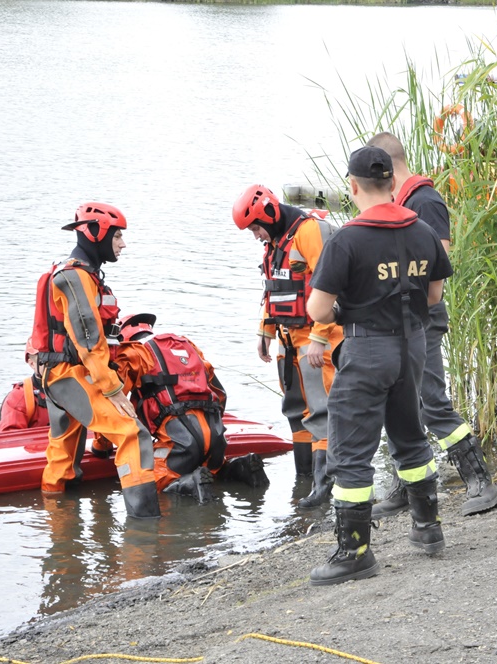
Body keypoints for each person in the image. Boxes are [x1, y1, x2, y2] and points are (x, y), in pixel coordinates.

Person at [306, 146, 453, 586]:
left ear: (352, 187)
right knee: (410, 436)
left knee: (349, 453)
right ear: (393, 183)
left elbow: (317, 308)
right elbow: (434, 297)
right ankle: (428, 529)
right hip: (411, 347)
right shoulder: (423, 229)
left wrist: (340, 312)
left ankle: (355, 552)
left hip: (367, 349)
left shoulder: (346, 239)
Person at [365, 131, 497, 518]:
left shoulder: (425, 201)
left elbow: (435, 267)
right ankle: (404, 487)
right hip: (396, 321)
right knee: (398, 404)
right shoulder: (400, 202)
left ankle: (480, 480)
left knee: (431, 401)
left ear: (387, 169)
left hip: (421, 319)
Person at [31, 202, 159, 519]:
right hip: (69, 375)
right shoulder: (75, 278)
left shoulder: (79, 275)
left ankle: (62, 542)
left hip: (57, 375)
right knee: (134, 433)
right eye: (117, 236)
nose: (122, 244)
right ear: (95, 233)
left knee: (62, 459)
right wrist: (113, 390)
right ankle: (145, 530)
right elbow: (89, 342)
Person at [232, 185, 341, 508]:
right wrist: (265, 330)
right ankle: (303, 482)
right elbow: (275, 287)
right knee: (295, 411)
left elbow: (330, 284)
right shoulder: (276, 241)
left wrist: (320, 338)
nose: (255, 236)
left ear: (267, 213)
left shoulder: (308, 232)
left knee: (321, 411)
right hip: (286, 339)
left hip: (315, 338)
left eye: (255, 228)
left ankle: (325, 486)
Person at [112, 314, 270, 502]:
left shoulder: (132, 353)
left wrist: (101, 447)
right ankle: (239, 468)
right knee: (213, 468)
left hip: (180, 439)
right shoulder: (186, 345)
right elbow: (219, 393)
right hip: (215, 435)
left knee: (150, 482)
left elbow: (113, 405)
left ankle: (189, 484)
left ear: (123, 337)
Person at [0, 339, 50, 431]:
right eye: (47, 361)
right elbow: (11, 441)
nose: (55, 365)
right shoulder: (19, 398)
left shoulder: (77, 389)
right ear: (32, 364)